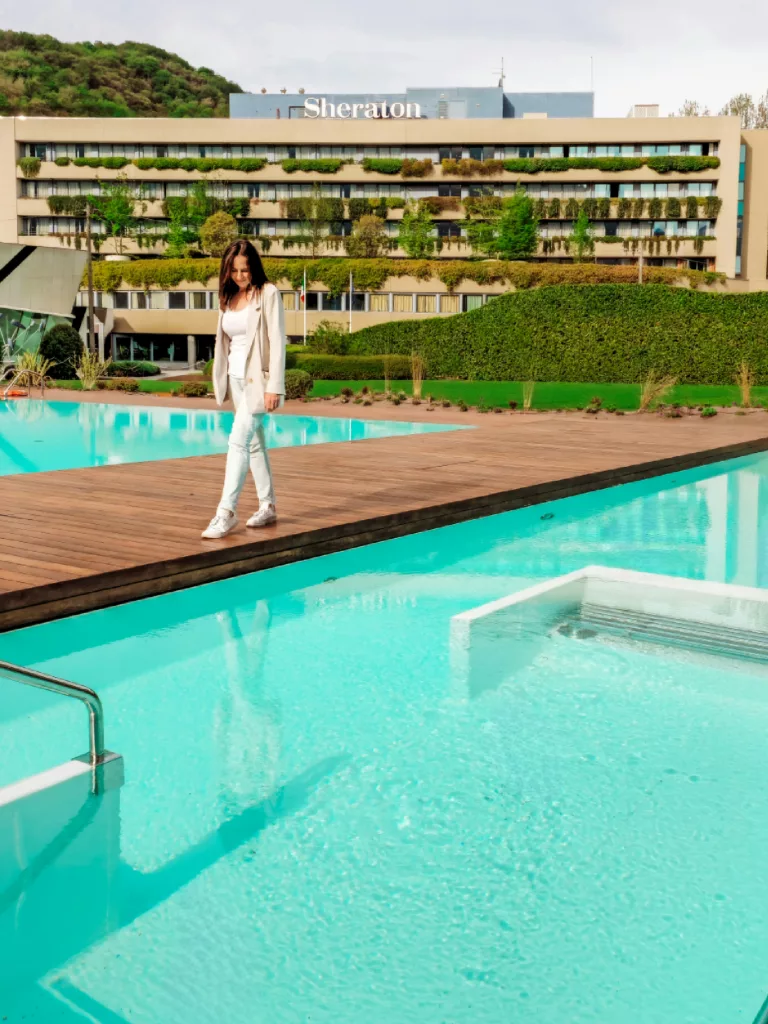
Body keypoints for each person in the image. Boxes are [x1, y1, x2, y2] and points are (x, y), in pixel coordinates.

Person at [202, 239, 286, 540]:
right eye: (235, 270)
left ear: (254, 268)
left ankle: (226, 512)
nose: (240, 276)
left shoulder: (268, 293)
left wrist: (274, 386)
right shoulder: (228, 298)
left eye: (245, 270)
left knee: (238, 441)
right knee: (253, 445)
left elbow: (277, 341)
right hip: (235, 380)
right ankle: (268, 505)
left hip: (258, 383)